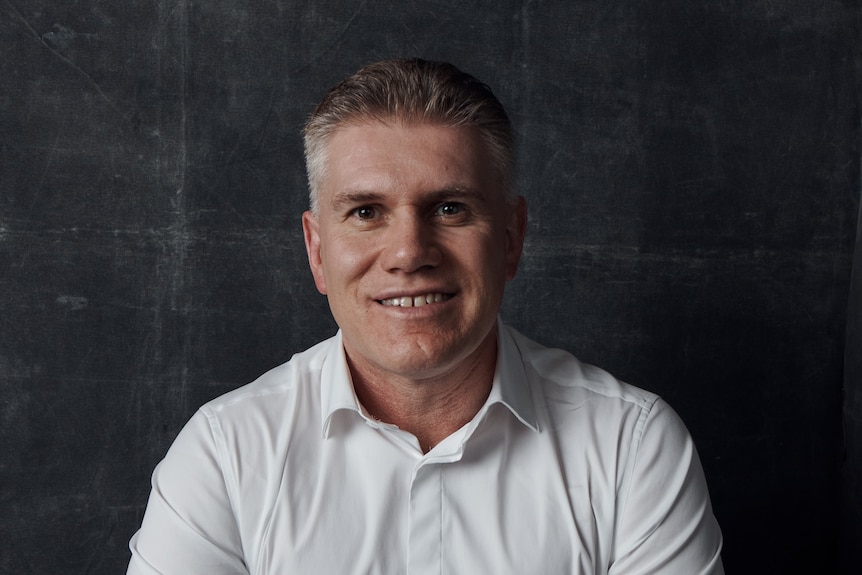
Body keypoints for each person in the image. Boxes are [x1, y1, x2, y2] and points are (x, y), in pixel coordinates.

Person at [127, 58, 724, 574]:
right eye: (365, 211)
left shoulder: (630, 447)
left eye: (449, 207)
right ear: (316, 250)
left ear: (511, 239)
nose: (410, 252)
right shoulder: (225, 456)